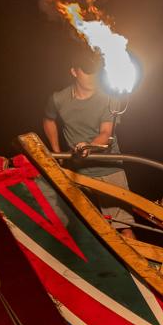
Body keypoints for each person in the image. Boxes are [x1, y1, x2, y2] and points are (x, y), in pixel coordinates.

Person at [42, 44, 135, 232]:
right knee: (76, 227)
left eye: (95, 71)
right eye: (86, 71)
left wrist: (89, 147)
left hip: (109, 169)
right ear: (74, 72)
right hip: (77, 172)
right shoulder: (58, 99)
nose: (92, 77)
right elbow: (48, 120)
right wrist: (57, 153)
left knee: (123, 227)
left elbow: (106, 133)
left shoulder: (109, 98)